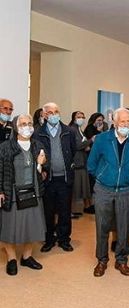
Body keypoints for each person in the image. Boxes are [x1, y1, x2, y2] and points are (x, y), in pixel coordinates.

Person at [87, 108, 129, 277]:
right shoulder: (102, 139)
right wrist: (103, 175)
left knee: (124, 227)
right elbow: (91, 164)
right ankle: (102, 260)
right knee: (102, 226)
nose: (126, 124)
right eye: (122, 121)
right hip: (104, 189)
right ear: (114, 122)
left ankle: (121, 260)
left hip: (127, 190)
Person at [0, 114, 47, 275]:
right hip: (11, 193)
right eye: (23, 124)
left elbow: (43, 172)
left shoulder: (38, 145)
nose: (27, 127)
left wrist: (41, 165)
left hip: (33, 191)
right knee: (9, 228)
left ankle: (27, 257)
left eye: (29, 123)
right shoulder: (5, 147)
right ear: (15, 127)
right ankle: (12, 258)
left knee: (32, 226)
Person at [34, 102, 76, 253]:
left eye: (56, 111)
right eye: (50, 112)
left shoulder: (68, 131)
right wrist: (42, 169)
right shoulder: (38, 132)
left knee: (65, 211)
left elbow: (73, 150)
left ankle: (64, 239)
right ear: (45, 115)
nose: (54, 115)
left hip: (65, 178)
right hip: (48, 179)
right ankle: (49, 239)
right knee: (48, 211)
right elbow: (36, 153)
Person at [68, 111, 93, 218]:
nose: (81, 118)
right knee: (74, 189)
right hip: (76, 163)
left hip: (82, 161)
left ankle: (75, 210)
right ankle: (70, 211)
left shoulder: (79, 130)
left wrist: (86, 145)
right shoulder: (73, 129)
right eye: (79, 117)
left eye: (83, 117)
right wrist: (91, 140)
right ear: (74, 118)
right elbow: (77, 145)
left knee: (80, 189)